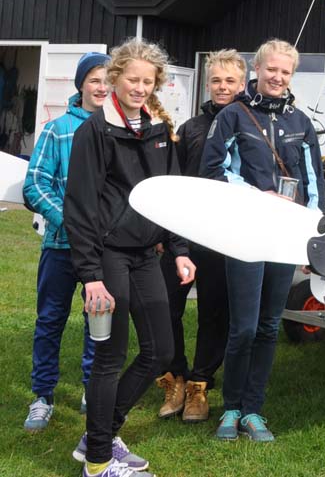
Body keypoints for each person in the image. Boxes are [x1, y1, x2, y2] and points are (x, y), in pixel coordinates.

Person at [65, 38, 196, 477]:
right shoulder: (95, 131)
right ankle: (99, 462)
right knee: (110, 357)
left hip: (145, 255)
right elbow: (79, 207)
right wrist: (91, 276)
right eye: (132, 79)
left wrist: (178, 250)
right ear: (115, 77)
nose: (140, 88)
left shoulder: (159, 127)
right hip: (106, 258)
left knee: (161, 351)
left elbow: (171, 196)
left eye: (148, 81)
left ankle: (97, 436)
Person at [201, 38, 325, 443]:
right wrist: (258, 195)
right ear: (257, 69)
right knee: (244, 328)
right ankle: (231, 407)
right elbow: (212, 171)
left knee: (270, 326)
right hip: (246, 233)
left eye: (285, 71)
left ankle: (254, 410)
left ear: (292, 75)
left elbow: (314, 186)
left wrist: (313, 238)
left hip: (284, 235)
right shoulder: (234, 115)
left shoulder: (301, 123)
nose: (277, 77)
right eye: (272, 69)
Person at [155, 50, 247, 423]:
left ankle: (199, 386)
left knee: (214, 312)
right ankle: (175, 377)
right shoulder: (190, 128)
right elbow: (173, 184)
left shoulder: (251, 125)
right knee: (165, 307)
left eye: (230, 81)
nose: (222, 87)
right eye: (216, 80)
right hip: (184, 234)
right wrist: (167, 234)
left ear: (242, 84)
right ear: (207, 84)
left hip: (224, 236)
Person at [22, 52, 109, 432]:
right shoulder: (57, 130)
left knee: (99, 324)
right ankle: (42, 396)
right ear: (81, 85)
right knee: (50, 321)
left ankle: (93, 388)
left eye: (108, 79)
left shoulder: (119, 129)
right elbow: (35, 184)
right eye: (94, 80)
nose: (102, 87)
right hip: (60, 247)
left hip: (104, 250)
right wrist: (71, 223)